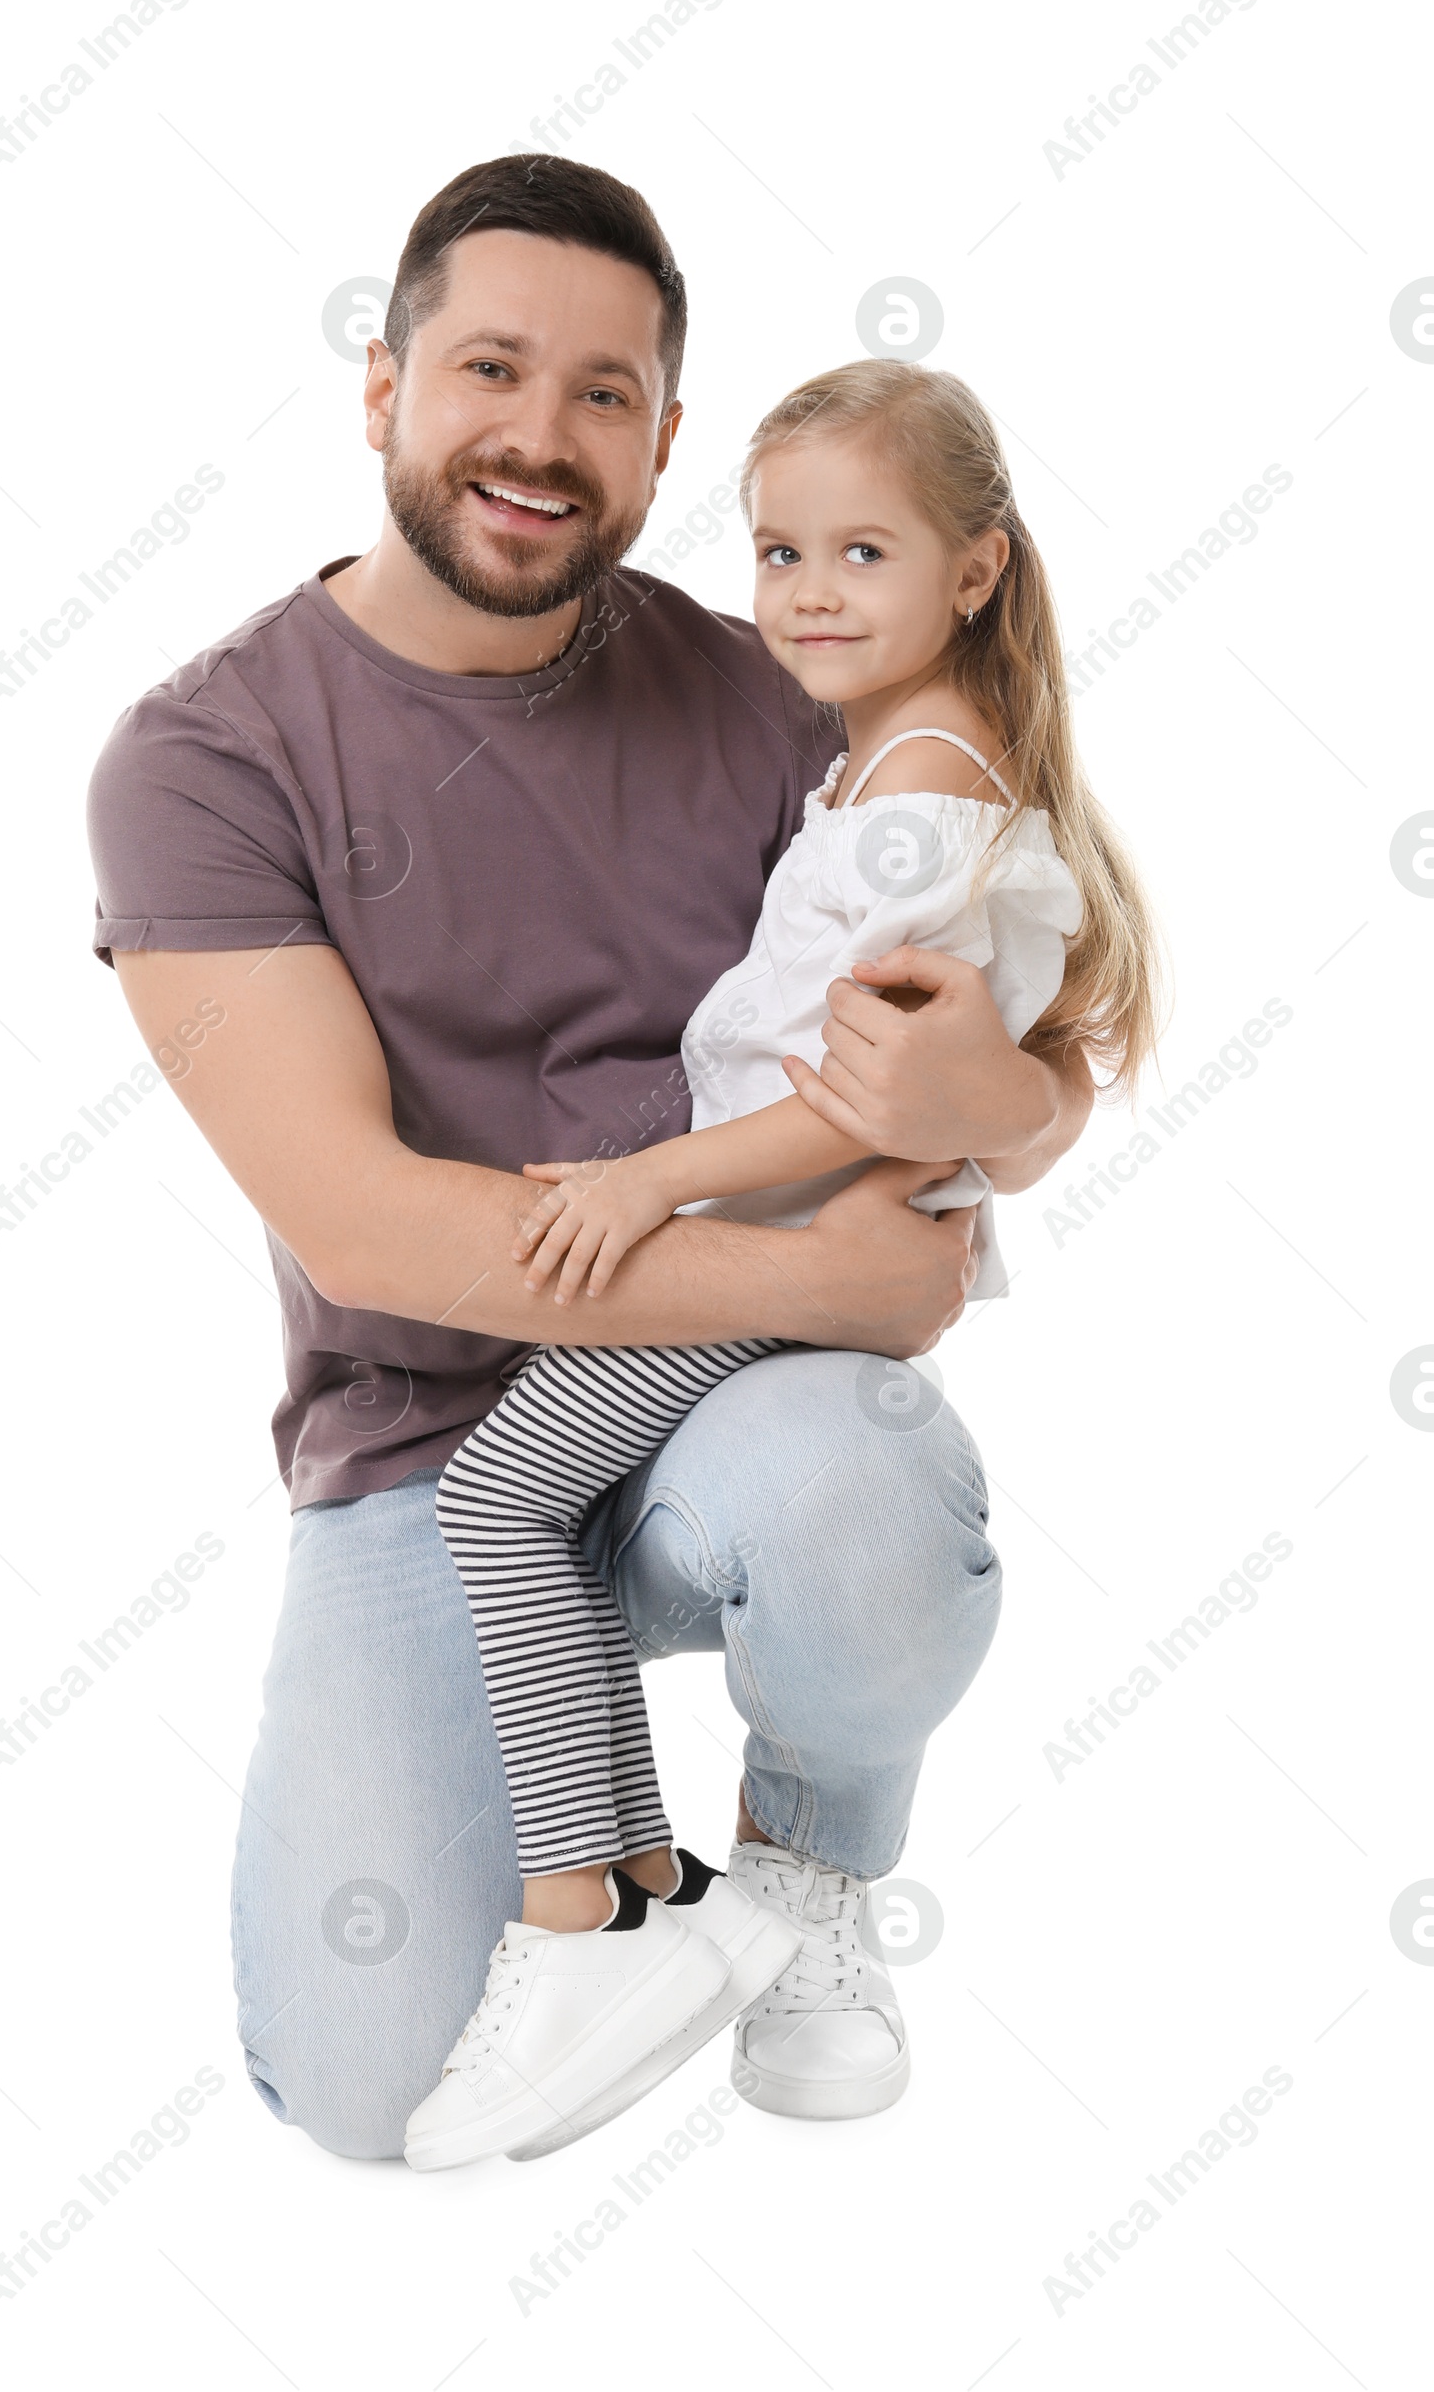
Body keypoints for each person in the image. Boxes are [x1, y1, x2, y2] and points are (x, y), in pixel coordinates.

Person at [86, 155, 1097, 2165]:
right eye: (486, 369)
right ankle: (619, 1910)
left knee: (865, 1498)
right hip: (421, 1458)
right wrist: (833, 1276)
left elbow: (1002, 1025)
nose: (538, 439)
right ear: (378, 385)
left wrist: (1000, 1119)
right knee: (365, 2085)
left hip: (716, 1424)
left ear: (660, 445)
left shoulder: (762, 692)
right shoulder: (205, 760)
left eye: (604, 396)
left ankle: (798, 1893)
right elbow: (365, 1219)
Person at [412, 359, 1157, 2166]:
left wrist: (648, 1186)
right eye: (777, 550)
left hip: (756, 1240)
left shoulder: (920, 808)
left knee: (500, 1505)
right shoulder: (906, 770)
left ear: (974, 572)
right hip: (766, 1236)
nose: (809, 591)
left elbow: (855, 1102)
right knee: (526, 1510)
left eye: (860, 551)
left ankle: (586, 1917)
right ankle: (656, 1876)